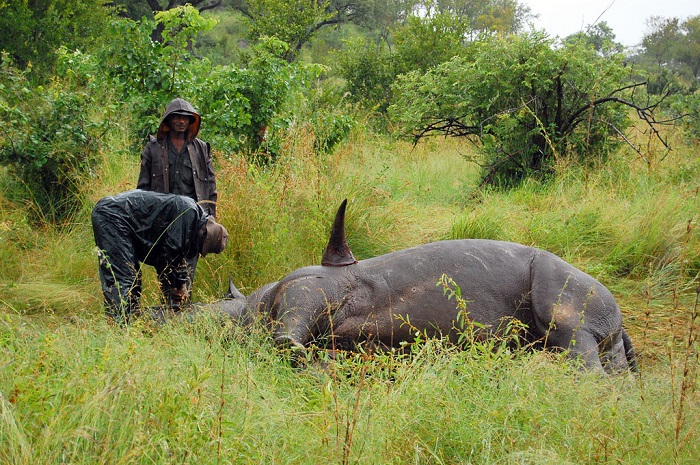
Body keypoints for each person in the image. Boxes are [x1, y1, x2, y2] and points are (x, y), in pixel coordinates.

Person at [91, 190, 228, 324]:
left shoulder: (193, 221)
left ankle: (129, 324)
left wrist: (177, 285)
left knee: (133, 279)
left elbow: (173, 255)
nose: (197, 250)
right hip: (112, 216)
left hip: (122, 222)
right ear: (204, 234)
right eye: (201, 247)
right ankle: (119, 328)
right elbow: (169, 255)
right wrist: (178, 286)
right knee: (123, 278)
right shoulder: (189, 212)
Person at [137, 98, 218, 306]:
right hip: (164, 219)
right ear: (169, 120)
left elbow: (210, 185)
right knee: (164, 261)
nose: (181, 121)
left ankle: (182, 307)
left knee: (189, 262)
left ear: (191, 121)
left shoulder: (201, 149)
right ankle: (167, 305)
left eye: (186, 118)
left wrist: (211, 217)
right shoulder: (153, 148)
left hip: (194, 218)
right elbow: (143, 187)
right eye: (177, 117)